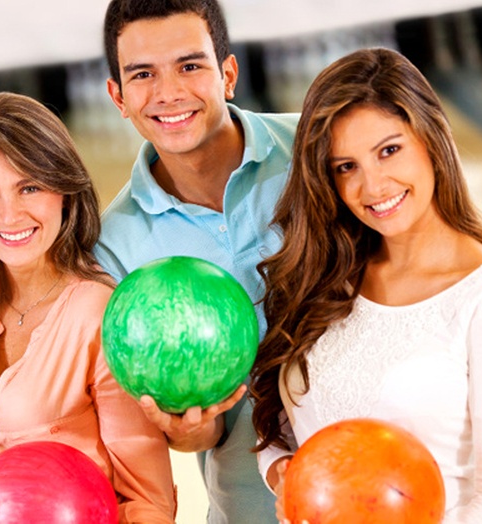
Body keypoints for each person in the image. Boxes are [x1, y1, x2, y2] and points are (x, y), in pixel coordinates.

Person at [251, 47, 482, 522]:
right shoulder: (325, 274)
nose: (373, 187)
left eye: (389, 150)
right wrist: (287, 476)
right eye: (346, 167)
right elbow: (280, 424)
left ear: (431, 138)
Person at [0, 92, 177, 523]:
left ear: (65, 194)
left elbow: (149, 503)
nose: (9, 214)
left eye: (29, 187)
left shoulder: (103, 317)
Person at [94, 0, 298, 521]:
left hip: (386, 488)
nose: (168, 93)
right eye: (143, 74)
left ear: (228, 73)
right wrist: (188, 429)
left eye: (190, 65)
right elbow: (196, 430)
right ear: (117, 97)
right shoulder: (112, 246)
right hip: (251, 509)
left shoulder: (314, 149)